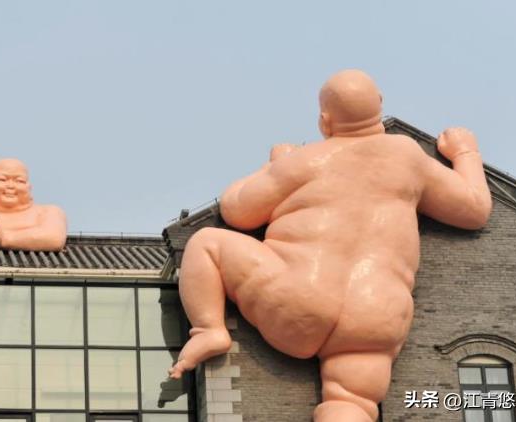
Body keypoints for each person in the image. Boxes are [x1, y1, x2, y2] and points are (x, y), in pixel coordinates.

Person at [168, 70, 492, 422]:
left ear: (324, 121)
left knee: (207, 244)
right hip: (374, 315)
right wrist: (465, 152)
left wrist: (273, 166)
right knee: (351, 401)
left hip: (295, 298)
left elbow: (236, 209)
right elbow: (475, 208)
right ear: (380, 103)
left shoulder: (304, 160)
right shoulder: (406, 155)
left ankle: (209, 329)